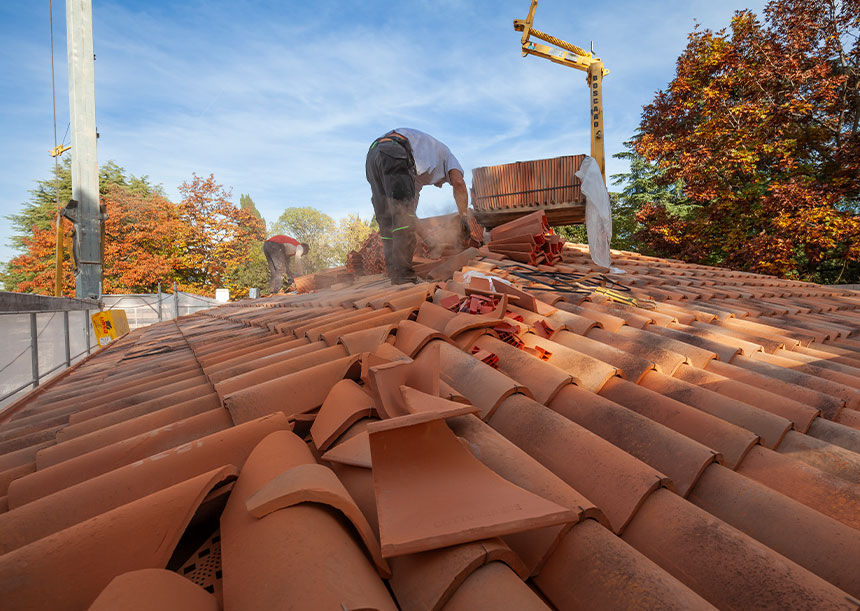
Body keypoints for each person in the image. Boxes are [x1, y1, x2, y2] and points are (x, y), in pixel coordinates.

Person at [365, 128, 468, 284]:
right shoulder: (448, 156)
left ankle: (393, 272)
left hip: (373, 156)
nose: (439, 185)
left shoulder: (417, 173)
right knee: (402, 221)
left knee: (387, 219)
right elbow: (459, 182)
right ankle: (404, 277)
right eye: (443, 183)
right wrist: (464, 216)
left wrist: (429, 240)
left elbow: (410, 214)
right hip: (395, 152)